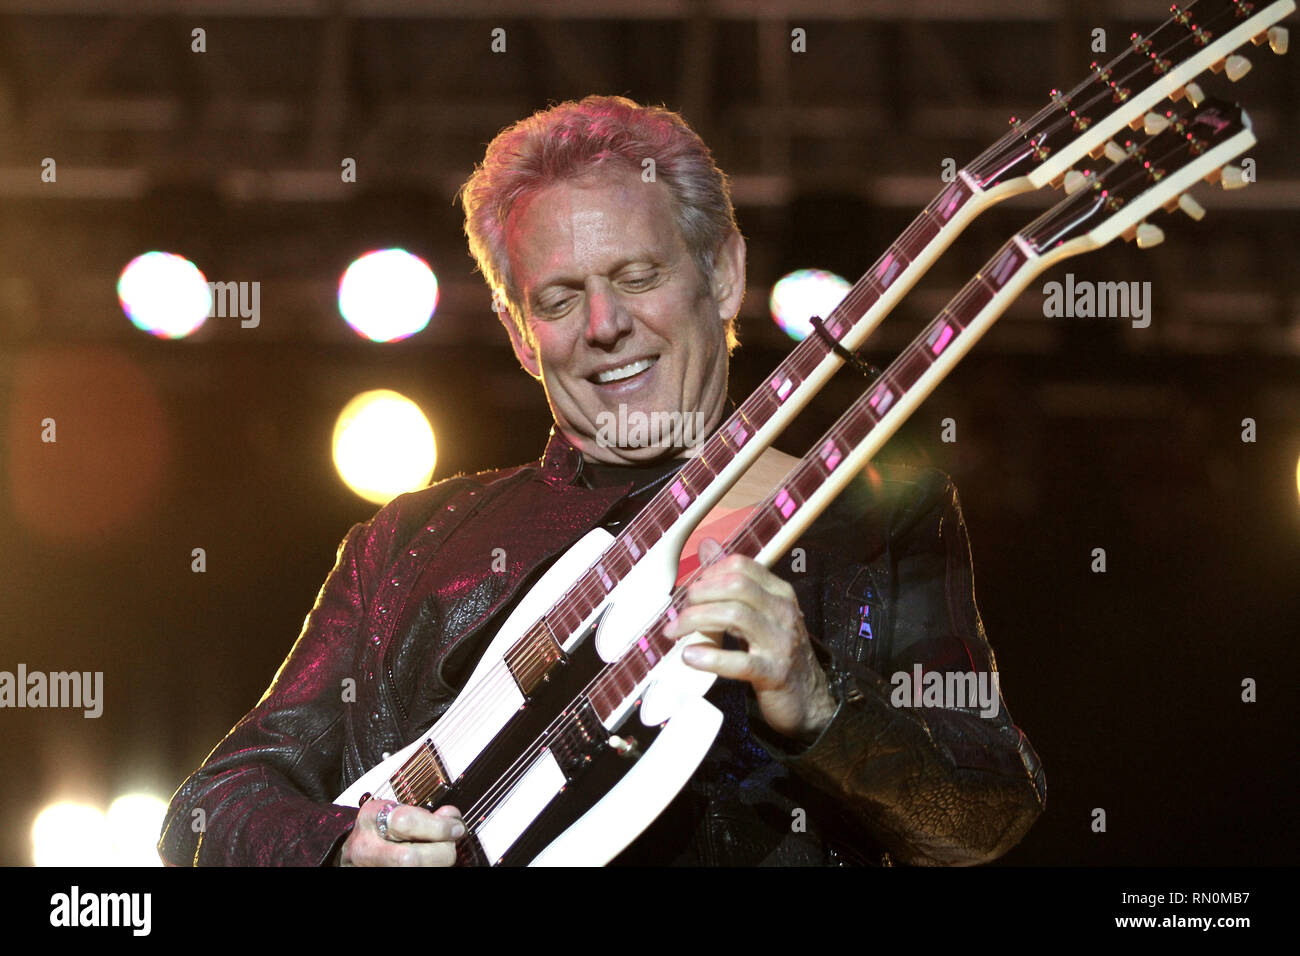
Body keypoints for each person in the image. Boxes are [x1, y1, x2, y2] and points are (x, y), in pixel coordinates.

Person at [158, 94, 1045, 867]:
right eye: (559, 298)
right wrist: (339, 850)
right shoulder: (408, 539)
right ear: (517, 332)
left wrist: (817, 703)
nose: (605, 324)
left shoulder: (873, 513)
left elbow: (986, 811)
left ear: (723, 274)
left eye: (638, 275)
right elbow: (207, 812)